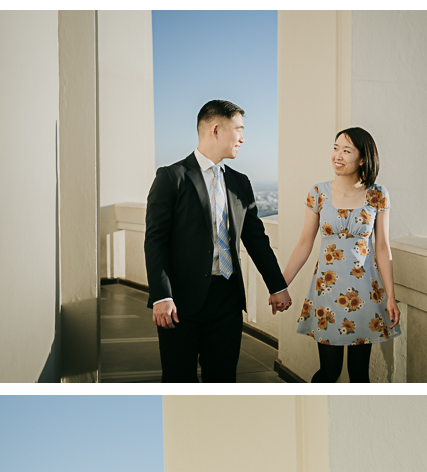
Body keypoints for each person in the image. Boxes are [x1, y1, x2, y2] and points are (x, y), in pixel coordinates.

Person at [145, 99, 291, 383]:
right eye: (238, 129)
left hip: (227, 301)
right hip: (179, 304)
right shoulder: (171, 177)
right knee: (179, 380)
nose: (243, 138)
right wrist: (162, 296)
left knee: (223, 380)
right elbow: (155, 241)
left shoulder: (240, 182)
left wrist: (277, 286)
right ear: (216, 129)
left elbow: (256, 240)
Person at [282, 127, 401, 382]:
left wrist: (391, 296)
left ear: (362, 158)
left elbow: (382, 247)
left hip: (365, 294)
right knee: (329, 372)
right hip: (327, 293)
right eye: (336, 148)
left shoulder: (379, 194)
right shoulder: (318, 193)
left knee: (360, 375)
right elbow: (304, 243)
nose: (338, 155)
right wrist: (280, 286)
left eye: (346, 150)